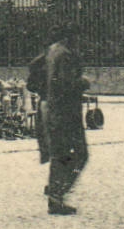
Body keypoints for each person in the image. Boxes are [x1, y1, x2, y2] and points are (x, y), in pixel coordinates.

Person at [35, 28, 90, 215]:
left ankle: (55, 193)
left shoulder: (51, 52)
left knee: (60, 155)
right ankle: (57, 193)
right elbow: (66, 84)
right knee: (80, 154)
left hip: (52, 109)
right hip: (67, 113)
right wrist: (83, 82)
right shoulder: (66, 56)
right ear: (71, 37)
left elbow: (35, 73)